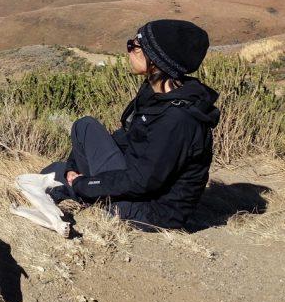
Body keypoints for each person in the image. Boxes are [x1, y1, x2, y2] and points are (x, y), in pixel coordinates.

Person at [42, 19, 220, 229]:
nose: (128, 51)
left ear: (156, 60)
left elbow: (143, 181)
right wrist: (73, 168)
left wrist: (85, 185)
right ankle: (73, 184)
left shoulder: (178, 119)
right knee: (82, 130)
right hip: (137, 179)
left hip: (155, 210)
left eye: (133, 47)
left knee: (57, 179)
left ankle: (76, 191)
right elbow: (125, 137)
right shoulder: (155, 94)